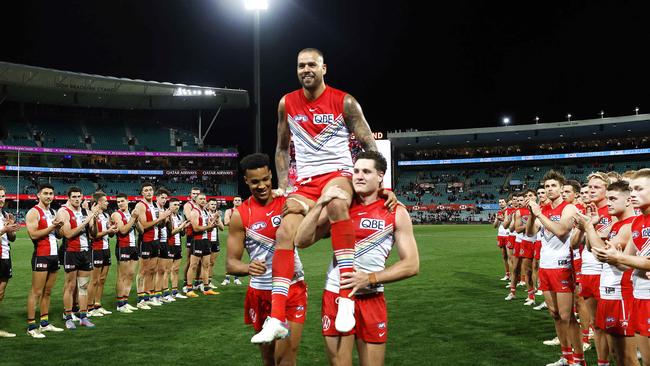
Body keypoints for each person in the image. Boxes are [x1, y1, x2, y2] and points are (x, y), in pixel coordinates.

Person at [253, 47, 396, 343]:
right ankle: (277, 318)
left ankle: (345, 299)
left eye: (312, 65)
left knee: (335, 201)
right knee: (283, 234)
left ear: (324, 68)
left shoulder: (345, 101)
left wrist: (382, 184)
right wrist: (285, 185)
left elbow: (369, 143)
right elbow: (281, 148)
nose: (306, 70)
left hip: (338, 175)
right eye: (301, 65)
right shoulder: (286, 103)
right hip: (304, 185)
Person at [294, 151, 419, 366]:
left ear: (380, 176)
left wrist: (370, 278)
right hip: (335, 295)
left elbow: (411, 264)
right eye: (356, 170)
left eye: (366, 171)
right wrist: (321, 203)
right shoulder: (341, 205)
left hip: (371, 297)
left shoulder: (395, 211)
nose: (359, 176)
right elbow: (301, 240)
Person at [226, 153, 308, 366]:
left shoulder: (288, 202)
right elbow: (231, 263)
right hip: (260, 292)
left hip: (292, 289)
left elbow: (324, 230)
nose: (261, 185)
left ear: (271, 175)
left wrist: (306, 210)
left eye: (265, 179)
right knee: (268, 359)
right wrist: (247, 267)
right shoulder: (240, 215)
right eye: (255, 182)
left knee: (286, 358)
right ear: (246, 181)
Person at [575, 180, 639, 366]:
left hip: (623, 295)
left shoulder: (630, 225)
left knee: (628, 357)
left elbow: (602, 253)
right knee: (616, 354)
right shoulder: (616, 224)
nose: (608, 203)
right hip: (610, 293)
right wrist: (592, 226)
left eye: (613, 199)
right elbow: (590, 247)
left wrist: (588, 227)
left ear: (627, 201)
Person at [525, 170, 584, 366]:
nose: (549, 190)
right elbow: (530, 233)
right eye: (547, 186)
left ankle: (578, 359)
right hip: (545, 266)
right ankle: (565, 356)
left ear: (560, 188)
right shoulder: (544, 209)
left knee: (568, 316)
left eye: (553, 186)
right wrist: (533, 215)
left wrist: (539, 213)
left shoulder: (569, 209)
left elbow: (560, 231)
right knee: (556, 315)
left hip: (562, 267)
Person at [592, 169, 650, 365]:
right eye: (632, 189)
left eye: (639, 189)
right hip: (639, 297)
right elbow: (626, 264)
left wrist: (619, 258)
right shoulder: (638, 223)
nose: (633, 194)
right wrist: (614, 257)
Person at [25, 183, 65, 338]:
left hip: (54, 255)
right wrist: (52, 227)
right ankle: (31, 326)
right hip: (41, 255)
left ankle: (44, 323)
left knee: (48, 291)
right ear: (38, 195)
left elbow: (59, 235)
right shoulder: (33, 212)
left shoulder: (53, 212)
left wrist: (59, 227)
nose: (49, 196)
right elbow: (33, 234)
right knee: (36, 291)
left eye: (51, 193)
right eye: (45, 193)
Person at [57, 186, 98, 329]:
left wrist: (95, 219)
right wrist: (86, 221)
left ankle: (83, 317)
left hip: (85, 252)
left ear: (82, 197)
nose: (76, 199)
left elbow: (93, 234)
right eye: (73, 196)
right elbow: (68, 234)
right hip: (71, 251)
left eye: (78, 196)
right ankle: (68, 317)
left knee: (83, 286)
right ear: (69, 198)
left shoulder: (86, 211)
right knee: (70, 285)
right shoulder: (64, 212)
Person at [133, 182, 171, 308]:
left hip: (155, 240)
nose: (149, 192)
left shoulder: (153, 205)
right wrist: (161, 218)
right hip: (146, 241)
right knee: (143, 270)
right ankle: (140, 299)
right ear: (142, 193)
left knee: (152, 270)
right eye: (146, 190)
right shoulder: (141, 205)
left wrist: (164, 220)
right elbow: (144, 226)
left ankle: (147, 296)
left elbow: (157, 224)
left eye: (150, 190)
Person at [88, 192, 117, 317]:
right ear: (98, 202)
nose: (107, 203)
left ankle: (97, 304)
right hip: (96, 249)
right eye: (105, 201)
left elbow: (109, 234)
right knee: (94, 280)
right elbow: (92, 236)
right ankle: (89, 307)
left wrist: (112, 229)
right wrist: (108, 231)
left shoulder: (106, 215)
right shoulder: (91, 215)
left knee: (102, 280)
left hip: (106, 249)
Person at [185, 193, 219, 297]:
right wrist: (208, 227)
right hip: (197, 240)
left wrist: (215, 219)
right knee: (193, 265)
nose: (203, 200)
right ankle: (189, 289)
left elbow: (209, 226)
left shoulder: (205, 212)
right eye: (201, 199)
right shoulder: (194, 212)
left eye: (204, 199)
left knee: (206, 265)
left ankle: (206, 288)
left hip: (206, 241)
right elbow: (195, 228)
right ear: (196, 200)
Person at [0, 185, 20, 337]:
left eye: (2, 196)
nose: (1, 199)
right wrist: (4, 230)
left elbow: (11, 238)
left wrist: (11, 229)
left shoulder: (5, 214)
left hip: (5, 256)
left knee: (1, 293)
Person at [161, 198, 189, 301]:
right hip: (169, 245)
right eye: (174, 205)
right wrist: (181, 227)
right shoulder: (167, 216)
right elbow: (169, 233)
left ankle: (175, 291)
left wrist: (184, 227)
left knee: (176, 270)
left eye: (178, 205)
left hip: (178, 245)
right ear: (169, 206)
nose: (177, 207)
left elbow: (182, 234)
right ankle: (165, 292)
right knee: (167, 270)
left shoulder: (179, 216)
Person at [183, 187, 201, 291]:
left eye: (197, 193)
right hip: (191, 234)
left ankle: (197, 281)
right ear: (190, 194)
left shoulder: (200, 205)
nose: (195, 195)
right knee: (190, 260)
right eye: (194, 193)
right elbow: (190, 218)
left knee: (200, 260)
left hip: (200, 234)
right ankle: (186, 282)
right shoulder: (188, 205)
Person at [222, 196, 243, 286]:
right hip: (232, 236)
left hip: (242, 236)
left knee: (238, 257)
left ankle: (236, 278)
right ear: (233, 202)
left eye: (239, 200)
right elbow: (226, 222)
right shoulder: (228, 211)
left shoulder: (245, 210)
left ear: (241, 202)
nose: (237, 202)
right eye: (236, 200)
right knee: (230, 257)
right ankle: (227, 278)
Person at [207, 198, 225, 289]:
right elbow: (208, 226)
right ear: (208, 205)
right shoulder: (205, 213)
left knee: (212, 262)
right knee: (205, 263)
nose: (214, 206)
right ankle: (201, 282)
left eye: (215, 204)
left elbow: (222, 228)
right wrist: (215, 218)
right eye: (212, 204)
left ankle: (208, 281)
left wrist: (217, 220)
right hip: (207, 240)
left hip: (215, 240)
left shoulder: (217, 215)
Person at [494, 198, 510, 281]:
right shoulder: (499, 212)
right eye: (499, 202)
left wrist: (503, 219)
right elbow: (494, 226)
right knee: (504, 256)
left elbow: (509, 223)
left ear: (506, 203)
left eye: (502, 202)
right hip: (500, 235)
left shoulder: (509, 211)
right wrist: (497, 218)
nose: (501, 203)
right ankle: (507, 274)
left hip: (508, 235)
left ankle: (515, 276)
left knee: (510, 257)